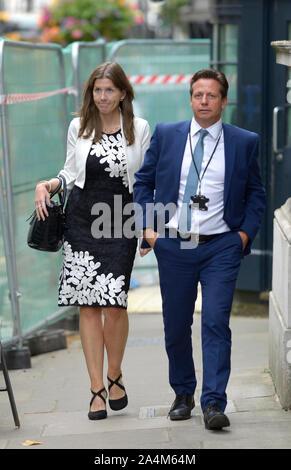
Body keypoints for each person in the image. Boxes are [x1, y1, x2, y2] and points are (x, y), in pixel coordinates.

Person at [133, 69, 266, 430]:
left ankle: (213, 403)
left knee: (215, 322)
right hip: (173, 243)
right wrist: (148, 229)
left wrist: (243, 236)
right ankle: (183, 393)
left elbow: (256, 193)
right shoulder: (167, 135)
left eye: (211, 96)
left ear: (223, 101)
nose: (204, 102)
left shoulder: (244, 141)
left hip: (221, 246)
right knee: (176, 325)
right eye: (198, 95)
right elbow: (143, 182)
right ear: (190, 99)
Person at [34, 62, 151, 420]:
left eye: (109, 90)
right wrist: (48, 185)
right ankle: (96, 389)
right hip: (83, 219)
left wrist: (148, 225)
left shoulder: (140, 128)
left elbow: (145, 179)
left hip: (120, 219)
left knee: (115, 304)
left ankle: (115, 374)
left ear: (123, 93)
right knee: (88, 306)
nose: (102, 97)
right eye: (97, 90)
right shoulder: (79, 126)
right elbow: (70, 171)